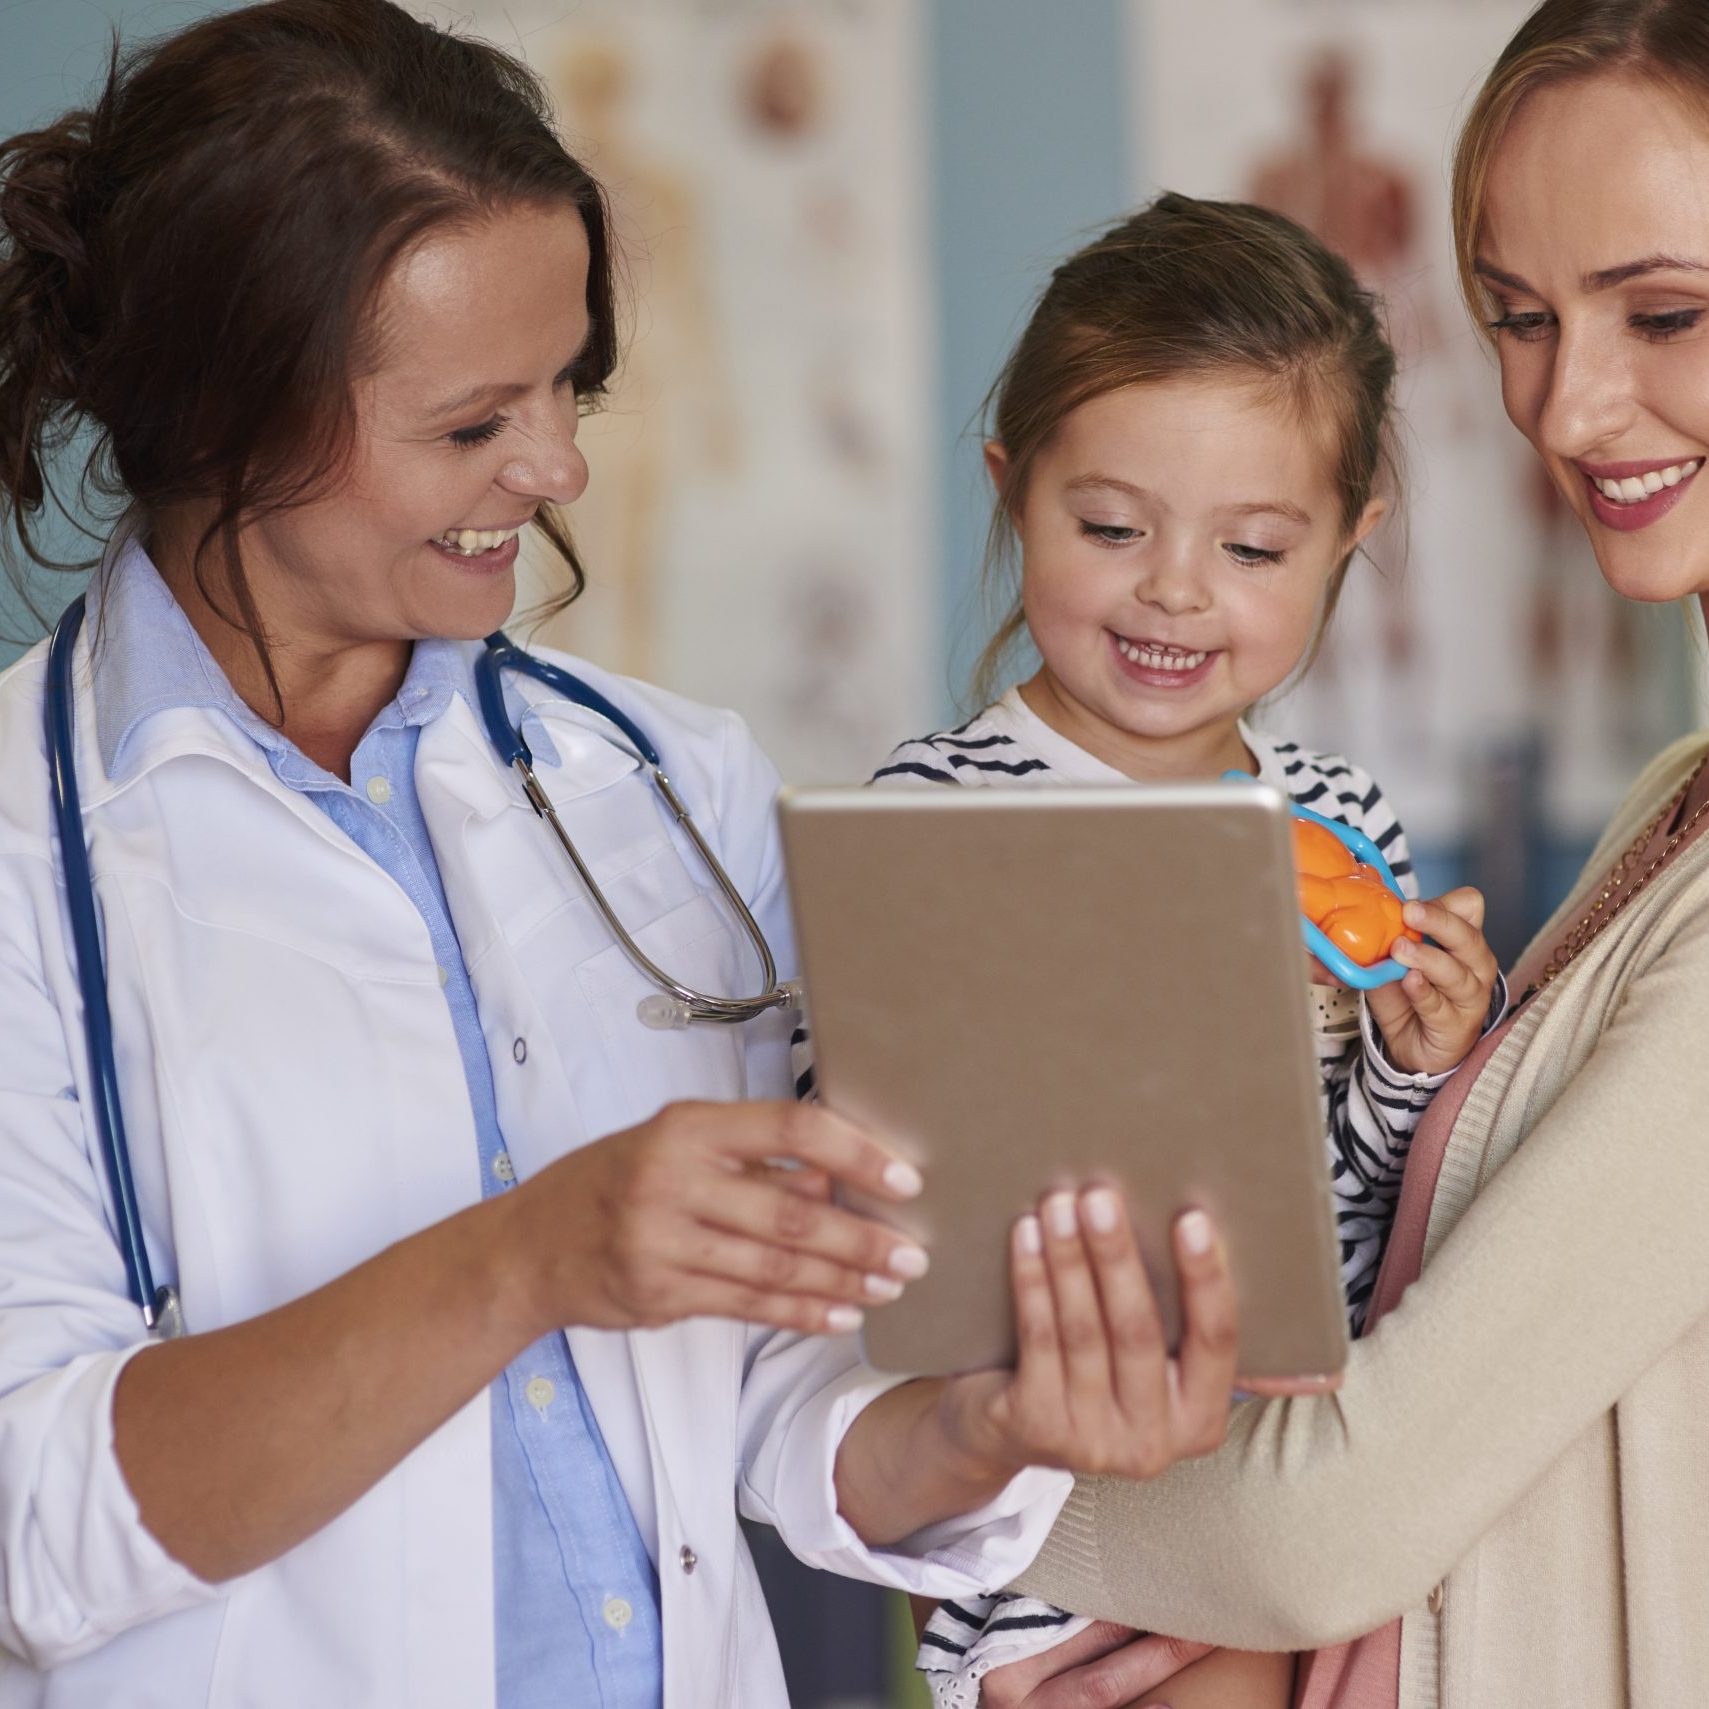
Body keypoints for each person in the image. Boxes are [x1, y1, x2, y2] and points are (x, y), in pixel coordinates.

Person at [0, 5, 1251, 1704]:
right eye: (470, 425)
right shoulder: (28, 846)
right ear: (223, 405)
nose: (559, 466)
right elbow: (32, 1528)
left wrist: (982, 1423)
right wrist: (530, 1255)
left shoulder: (668, 782)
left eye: (568, 386)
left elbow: (770, 1404)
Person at [973, 2, 1709, 1705]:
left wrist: (906, 1463)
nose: (1565, 406)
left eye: (1663, 313)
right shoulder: (1674, 796)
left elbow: (1333, 1522)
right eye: (1517, 318)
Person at [870, 194, 1502, 1709]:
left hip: (1300, 1491)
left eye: (1252, 545)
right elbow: (885, 1191)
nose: (1171, 588)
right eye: (1108, 527)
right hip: (1053, 1517)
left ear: (1346, 537)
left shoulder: (1342, 825)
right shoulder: (936, 813)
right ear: (1010, 493)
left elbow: (1354, 1215)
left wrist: (1415, 1065)